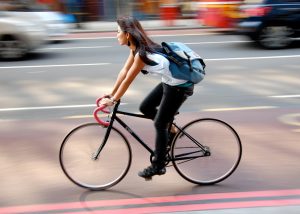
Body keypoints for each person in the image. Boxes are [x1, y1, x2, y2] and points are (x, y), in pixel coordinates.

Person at [100, 16, 194, 179]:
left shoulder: (141, 55)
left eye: (117, 32)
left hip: (180, 86)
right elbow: (124, 72)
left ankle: (158, 165)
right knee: (145, 107)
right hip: (170, 82)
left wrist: (114, 100)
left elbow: (128, 80)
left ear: (127, 35)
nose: (116, 35)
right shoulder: (135, 49)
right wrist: (112, 93)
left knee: (159, 123)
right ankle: (171, 129)